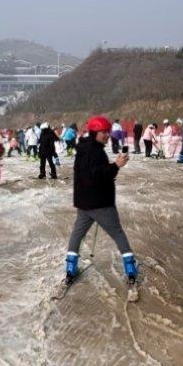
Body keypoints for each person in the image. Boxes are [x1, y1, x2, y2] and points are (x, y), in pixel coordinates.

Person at [65, 117, 138, 290]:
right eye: (103, 132)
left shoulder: (84, 148)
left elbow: (90, 174)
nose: (107, 135)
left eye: (107, 131)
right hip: (100, 202)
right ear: (94, 132)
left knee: (77, 234)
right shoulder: (95, 151)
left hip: (84, 202)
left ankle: (70, 267)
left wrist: (112, 168)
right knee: (118, 234)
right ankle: (131, 270)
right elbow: (97, 176)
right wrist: (116, 165)